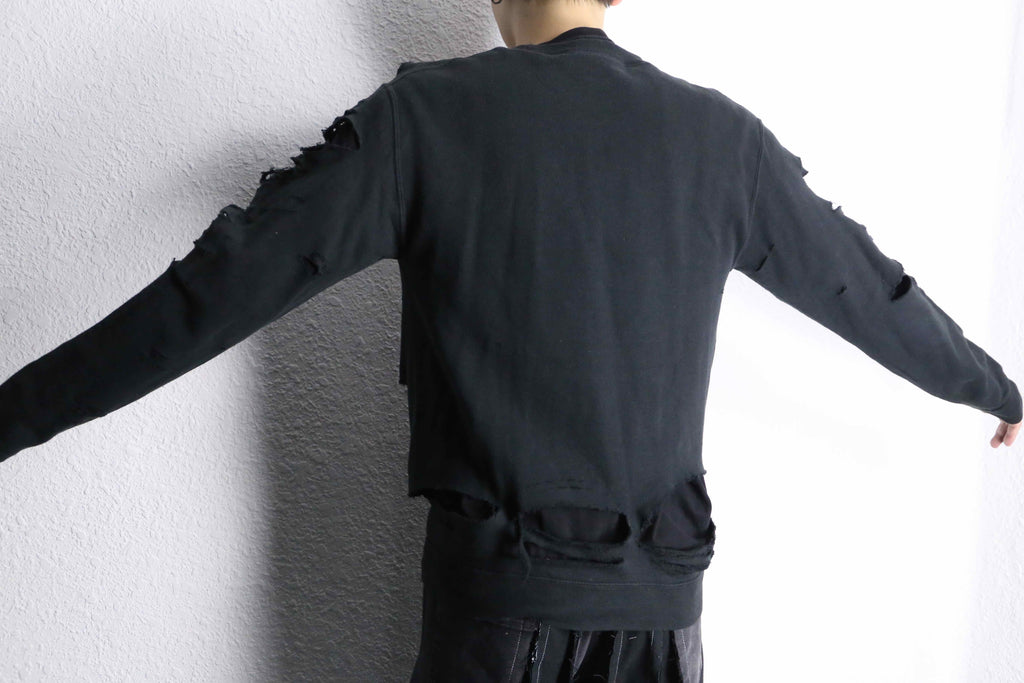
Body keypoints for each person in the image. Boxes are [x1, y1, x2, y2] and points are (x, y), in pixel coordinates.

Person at [1, 0, 1020, 681]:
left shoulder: (422, 122)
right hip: (661, 622)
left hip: (495, 619)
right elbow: (865, 289)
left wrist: (13, 417)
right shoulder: (723, 140)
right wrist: (994, 387)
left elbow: (206, 297)